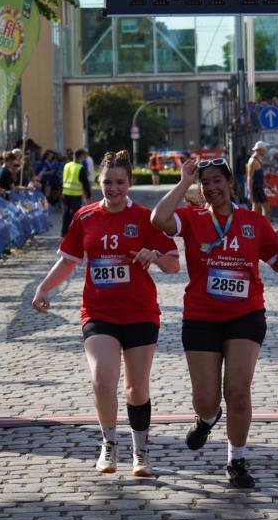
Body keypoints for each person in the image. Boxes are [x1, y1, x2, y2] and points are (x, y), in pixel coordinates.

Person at [151, 157, 278, 489]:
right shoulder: (191, 217)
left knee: (237, 390)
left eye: (218, 180)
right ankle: (206, 418)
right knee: (207, 398)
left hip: (246, 315)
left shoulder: (253, 222)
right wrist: (184, 181)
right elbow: (158, 219)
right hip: (202, 317)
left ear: (231, 183)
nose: (212, 187)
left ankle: (237, 459)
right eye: (206, 182)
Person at [32, 150, 179, 477]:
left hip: (140, 312)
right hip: (99, 311)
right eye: (107, 182)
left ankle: (141, 451)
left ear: (130, 183)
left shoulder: (145, 217)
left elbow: (173, 263)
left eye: (120, 183)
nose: (113, 189)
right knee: (102, 379)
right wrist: (43, 288)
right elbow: (69, 260)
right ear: (98, 181)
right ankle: (109, 443)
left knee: (136, 389)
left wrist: (153, 255)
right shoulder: (85, 217)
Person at [60, 147, 91, 237]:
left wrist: (61, 192)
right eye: (84, 157)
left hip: (66, 193)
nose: (84, 159)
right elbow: (85, 183)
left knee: (66, 213)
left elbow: (63, 179)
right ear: (80, 156)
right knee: (75, 214)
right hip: (75, 194)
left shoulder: (67, 165)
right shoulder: (80, 168)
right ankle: (73, 232)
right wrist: (88, 196)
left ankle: (64, 232)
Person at [246, 141, 269, 218]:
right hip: (255, 188)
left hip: (259, 188)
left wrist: (269, 187)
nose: (265, 151)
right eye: (264, 149)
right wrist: (250, 193)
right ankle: (258, 226)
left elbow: (260, 176)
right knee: (258, 208)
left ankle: (264, 227)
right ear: (259, 150)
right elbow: (249, 177)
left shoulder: (258, 160)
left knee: (263, 207)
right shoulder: (252, 161)